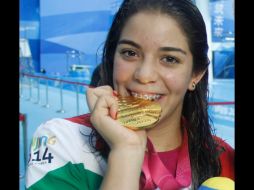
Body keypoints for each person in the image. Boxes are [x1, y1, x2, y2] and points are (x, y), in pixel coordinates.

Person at [26, 0, 234, 189]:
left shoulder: (222, 157)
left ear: (195, 75)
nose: (144, 75)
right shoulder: (63, 141)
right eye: (130, 53)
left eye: (169, 59)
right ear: (112, 57)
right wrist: (126, 150)